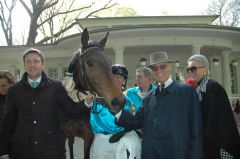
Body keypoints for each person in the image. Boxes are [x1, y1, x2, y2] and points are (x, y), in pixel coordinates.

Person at [0, 48, 93, 159]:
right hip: (23, 151)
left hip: (52, 151)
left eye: (36, 61)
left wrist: (86, 103)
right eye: (28, 62)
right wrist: (4, 152)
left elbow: (71, 110)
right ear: (24, 65)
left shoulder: (56, 86)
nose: (32, 65)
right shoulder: (14, 90)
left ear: (43, 64)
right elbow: (8, 123)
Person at [115, 52, 203, 159]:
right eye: (155, 68)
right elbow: (136, 121)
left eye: (162, 66)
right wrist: (118, 111)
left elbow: (196, 132)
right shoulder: (148, 98)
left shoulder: (187, 92)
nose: (159, 71)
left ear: (169, 67)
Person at [187, 54, 240, 159]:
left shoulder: (212, 87)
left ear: (205, 69)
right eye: (188, 70)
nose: (190, 73)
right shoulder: (201, 88)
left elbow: (217, 122)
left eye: (193, 69)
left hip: (218, 143)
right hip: (209, 141)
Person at [90, 64, 141, 159]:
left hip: (121, 140)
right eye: (114, 76)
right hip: (102, 142)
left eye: (120, 77)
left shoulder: (128, 101)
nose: (117, 79)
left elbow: (131, 122)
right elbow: (87, 107)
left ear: (124, 80)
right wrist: (88, 101)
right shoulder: (97, 96)